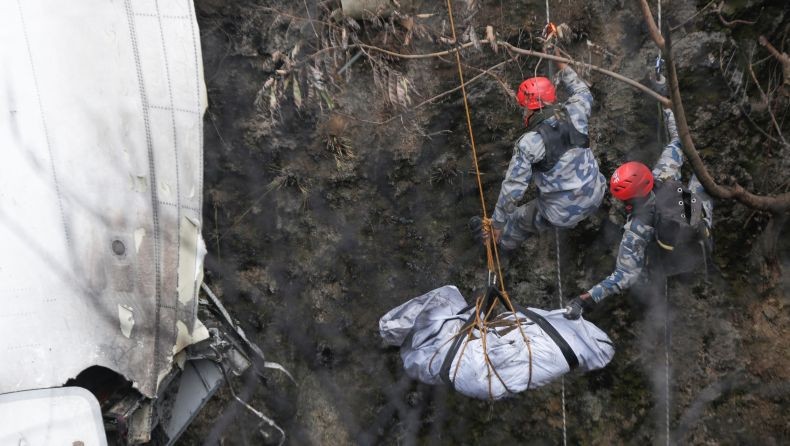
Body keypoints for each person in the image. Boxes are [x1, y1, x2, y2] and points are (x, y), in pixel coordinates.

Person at [565, 105, 714, 320]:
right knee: (699, 181)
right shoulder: (665, 173)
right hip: (703, 233)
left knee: (640, 273)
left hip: (679, 264)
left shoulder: (637, 228)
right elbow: (679, 140)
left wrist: (584, 299)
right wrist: (668, 109)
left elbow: (623, 276)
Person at [471, 56, 606, 256]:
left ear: (529, 108)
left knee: (516, 220)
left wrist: (498, 223)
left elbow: (513, 189)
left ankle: (498, 246)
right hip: (596, 194)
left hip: (561, 213)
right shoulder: (577, 110)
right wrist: (559, 59)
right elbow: (581, 90)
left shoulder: (529, 144)